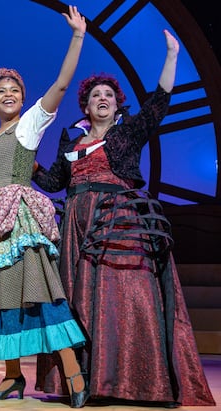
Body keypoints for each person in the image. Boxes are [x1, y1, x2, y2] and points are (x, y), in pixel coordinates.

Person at [32, 30, 216, 407]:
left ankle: (137, 381)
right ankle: (85, 380)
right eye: (95, 95)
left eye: (109, 95)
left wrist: (172, 55)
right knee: (80, 301)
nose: (103, 99)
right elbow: (54, 181)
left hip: (118, 221)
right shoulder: (72, 140)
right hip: (76, 229)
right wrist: (25, 161)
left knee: (126, 297)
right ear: (85, 105)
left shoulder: (127, 132)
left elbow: (159, 104)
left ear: (118, 105)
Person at [0, 5, 89, 408]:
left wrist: (77, 37)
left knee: (39, 293)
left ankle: (73, 373)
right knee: (1, 297)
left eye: (15, 91)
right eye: (1, 91)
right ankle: (12, 378)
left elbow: (61, 84)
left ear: (23, 99)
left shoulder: (28, 126)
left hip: (20, 223)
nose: (9, 94)